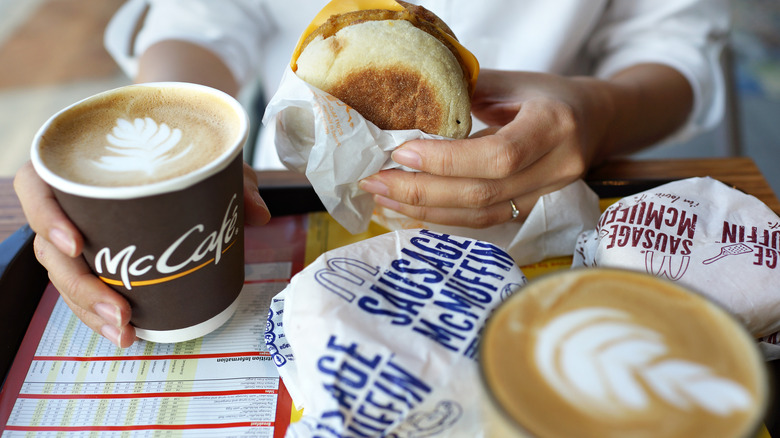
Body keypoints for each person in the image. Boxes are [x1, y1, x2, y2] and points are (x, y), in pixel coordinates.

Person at [13, 0, 730, 347]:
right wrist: (150, 124)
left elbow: (676, 42)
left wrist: (601, 110)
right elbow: (198, 21)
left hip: (559, 203)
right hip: (315, 202)